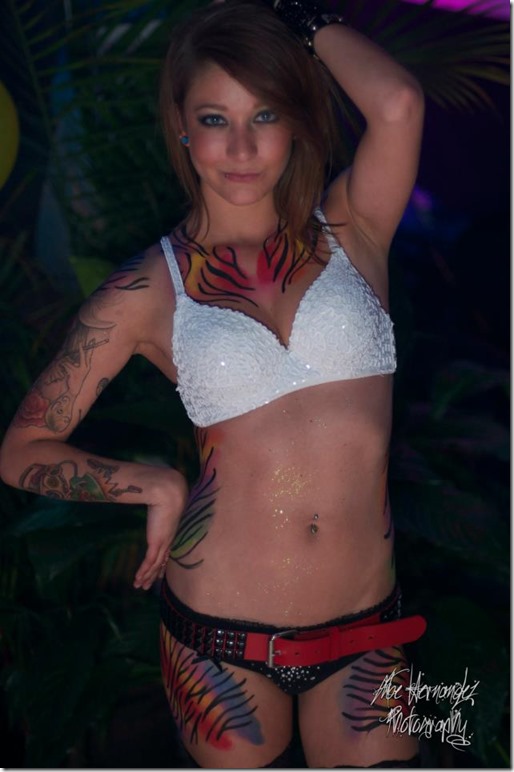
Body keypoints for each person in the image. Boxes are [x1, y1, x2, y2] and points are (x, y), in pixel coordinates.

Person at [0, 0, 427, 766]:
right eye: (213, 118)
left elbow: (397, 103)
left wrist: (298, 18)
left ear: (295, 120)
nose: (241, 147)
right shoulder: (145, 292)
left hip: (366, 627)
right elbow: (21, 448)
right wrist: (147, 483)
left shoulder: (354, 228)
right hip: (220, 642)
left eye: (264, 114)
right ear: (181, 127)